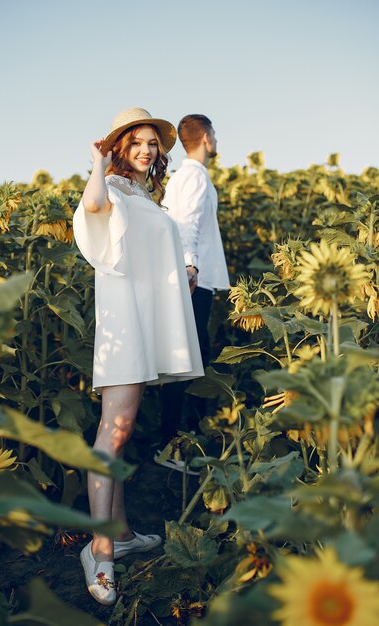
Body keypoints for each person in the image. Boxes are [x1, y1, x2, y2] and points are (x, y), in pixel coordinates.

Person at [73, 108, 204, 605]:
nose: (147, 149)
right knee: (115, 432)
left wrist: (181, 271)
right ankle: (99, 550)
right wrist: (97, 164)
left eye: (153, 143)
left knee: (122, 429)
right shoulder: (110, 187)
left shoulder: (141, 193)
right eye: (137, 142)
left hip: (142, 321)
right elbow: (91, 209)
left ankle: (121, 534)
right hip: (124, 325)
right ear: (120, 147)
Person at [157, 114, 230, 466]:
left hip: (190, 277)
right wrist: (191, 265)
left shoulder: (181, 177)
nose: (217, 140)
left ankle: (176, 444)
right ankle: (175, 447)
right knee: (190, 363)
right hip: (195, 281)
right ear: (205, 137)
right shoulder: (196, 176)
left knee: (187, 360)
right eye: (214, 134)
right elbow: (188, 222)